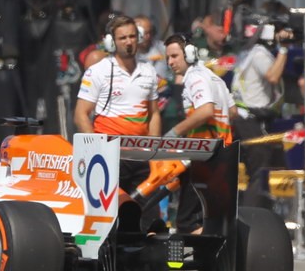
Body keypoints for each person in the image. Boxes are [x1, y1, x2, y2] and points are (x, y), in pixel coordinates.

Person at [75, 14, 162, 205]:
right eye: (122, 38)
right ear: (112, 42)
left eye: (132, 36)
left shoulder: (148, 71)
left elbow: (154, 113)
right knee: (111, 211)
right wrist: (97, 150)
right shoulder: (98, 71)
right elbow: (81, 114)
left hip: (141, 155)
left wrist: (153, 150)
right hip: (110, 155)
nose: (129, 42)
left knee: (148, 215)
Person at [164, 33, 234, 233]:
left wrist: (174, 132)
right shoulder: (214, 78)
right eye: (168, 57)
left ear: (189, 54)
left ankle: (210, 248)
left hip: (204, 156)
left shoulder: (195, 78)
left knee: (187, 223)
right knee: (209, 217)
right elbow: (233, 111)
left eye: (175, 56)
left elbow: (205, 111)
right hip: (222, 155)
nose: (170, 62)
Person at [230, 13, 292, 210]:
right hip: (251, 120)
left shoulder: (246, 53)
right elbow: (273, 76)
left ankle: (267, 213)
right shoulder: (259, 54)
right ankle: (253, 217)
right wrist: (283, 48)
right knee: (260, 172)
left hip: (245, 119)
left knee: (269, 167)